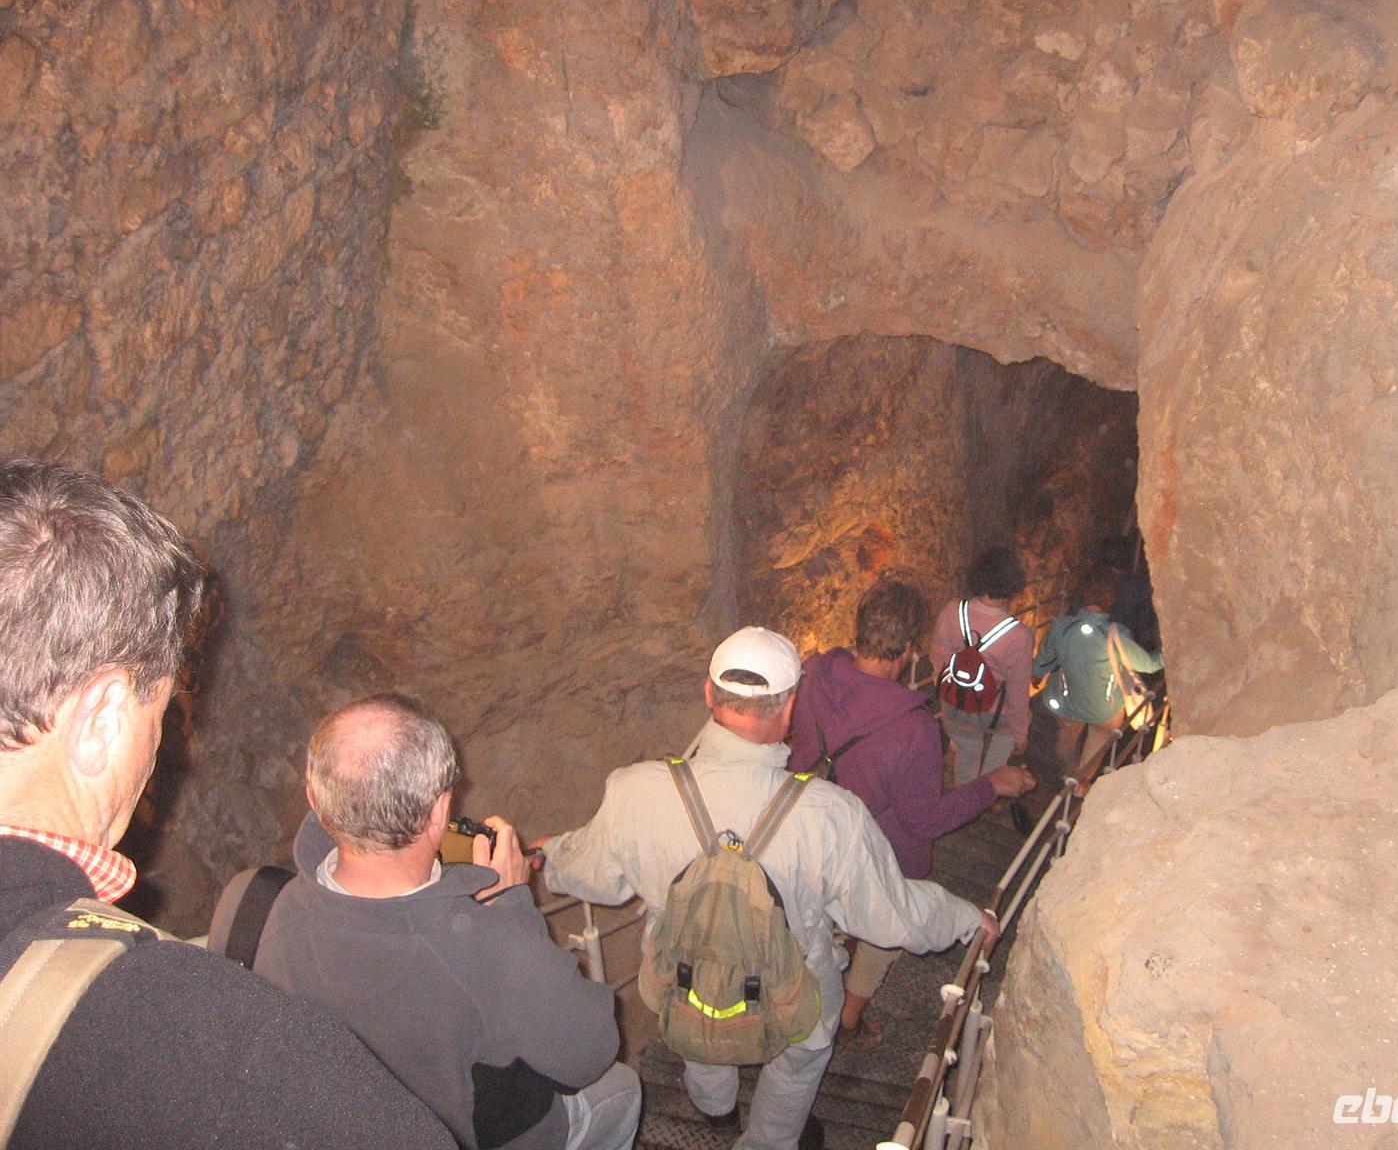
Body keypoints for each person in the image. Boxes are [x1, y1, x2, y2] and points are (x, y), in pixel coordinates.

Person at [0, 459, 455, 1150]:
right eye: (161, 709)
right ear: (102, 721)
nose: (163, 746)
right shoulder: (230, 1061)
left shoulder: (259, 908)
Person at [537, 626, 995, 1150]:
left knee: (699, 1034)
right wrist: (965, 918)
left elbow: (588, 873)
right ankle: (767, 1141)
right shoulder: (830, 813)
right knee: (798, 1064)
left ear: (709, 694)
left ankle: (715, 1111)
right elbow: (892, 916)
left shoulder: (634, 790)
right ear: (789, 707)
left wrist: (547, 856)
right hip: (793, 986)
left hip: (685, 976)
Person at [252, 694, 639, 1150]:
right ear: (439, 811)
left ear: (315, 800)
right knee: (623, 1088)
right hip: (473, 1135)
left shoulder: (283, 908)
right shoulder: (485, 945)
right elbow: (590, 1052)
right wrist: (511, 903)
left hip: (357, 1126)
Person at [788, 579, 1035, 1052]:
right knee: (887, 923)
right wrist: (992, 784)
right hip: (878, 851)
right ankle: (848, 1017)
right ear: (908, 650)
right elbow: (925, 819)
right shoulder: (911, 727)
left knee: (825, 910)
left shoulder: (814, 675)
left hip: (814, 831)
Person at [1033, 564, 1164, 795]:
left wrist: (1036, 674)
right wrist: (1168, 649)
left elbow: (1044, 659)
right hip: (1104, 709)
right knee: (1098, 739)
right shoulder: (1115, 634)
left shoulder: (1062, 626)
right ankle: (1080, 783)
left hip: (1067, 701)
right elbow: (1149, 664)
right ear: (1112, 598)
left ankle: (1067, 773)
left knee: (1067, 739)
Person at [931, 547, 1034, 785]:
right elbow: (1018, 693)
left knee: (967, 754)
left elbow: (938, 656)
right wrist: (1020, 735)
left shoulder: (952, 611)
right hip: (993, 712)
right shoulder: (1018, 635)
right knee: (1004, 743)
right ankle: (990, 786)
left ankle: (966, 794)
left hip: (955, 704)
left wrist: (948, 691)